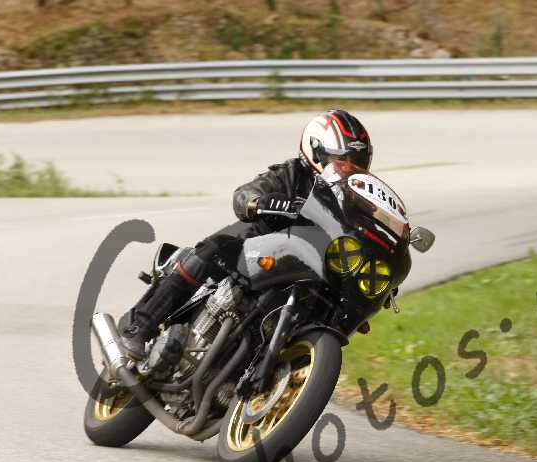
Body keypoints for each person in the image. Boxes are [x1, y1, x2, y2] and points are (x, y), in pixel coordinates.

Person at [118, 109, 373, 359]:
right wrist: (260, 202)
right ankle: (140, 326)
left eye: (357, 162)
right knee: (214, 248)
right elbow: (244, 195)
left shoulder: (354, 197)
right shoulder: (291, 174)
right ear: (315, 151)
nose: (349, 167)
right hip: (254, 250)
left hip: (308, 268)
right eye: (342, 159)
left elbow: (365, 230)